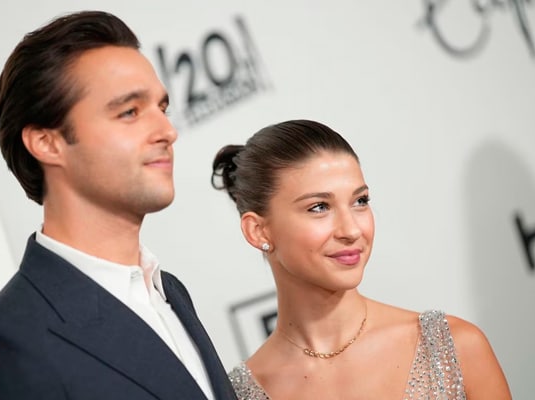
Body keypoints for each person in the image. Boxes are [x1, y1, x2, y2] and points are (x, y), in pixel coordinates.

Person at [0, 11, 236, 400]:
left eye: (162, 108)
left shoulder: (170, 292)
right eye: (129, 112)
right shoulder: (6, 347)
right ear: (47, 143)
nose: (168, 131)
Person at [211, 120, 512, 399]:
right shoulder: (241, 393)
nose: (352, 230)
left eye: (360, 201)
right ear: (258, 231)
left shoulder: (450, 347)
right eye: (319, 207)